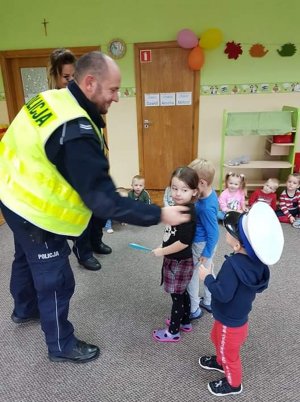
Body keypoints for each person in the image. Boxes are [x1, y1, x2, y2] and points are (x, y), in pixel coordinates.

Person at [0, 51, 190, 364]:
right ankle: (60, 344)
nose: (117, 97)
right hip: (35, 212)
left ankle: (24, 309)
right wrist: (158, 213)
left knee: (23, 257)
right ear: (89, 83)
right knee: (56, 279)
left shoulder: (50, 97)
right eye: (113, 90)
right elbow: (103, 199)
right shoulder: (75, 131)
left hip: (10, 193)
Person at [198, 202, 284, 396]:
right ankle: (220, 362)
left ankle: (233, 384)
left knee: (230, 354)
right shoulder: (257, 264)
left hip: (230, 321)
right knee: (216, 338)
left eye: (230, 231)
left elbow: (222, 294)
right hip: (234, 319)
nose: (226, 232)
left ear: (237, 244)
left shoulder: (232, 265)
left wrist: (207, 278)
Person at [48, 48, 110, 272]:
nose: (71, 82)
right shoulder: (55, 104)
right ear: (55, 77)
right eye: (66, 77)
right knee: (82, 211)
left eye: (74, 77)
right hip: (72, 173)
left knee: (98, 210)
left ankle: (96, 241)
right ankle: (83, 252)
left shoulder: (84, 100)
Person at [152, 167, 198, 342]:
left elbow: (183, 242)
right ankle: (185, 321)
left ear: (194, 191)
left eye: (184, 190)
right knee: (182, 292)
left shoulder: (186, 212)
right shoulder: (178, 207)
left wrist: (162, 251)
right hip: (175, 260)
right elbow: (173, 234)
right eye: (174, 188)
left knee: (176, 297)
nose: (178, 193)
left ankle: (173, 332)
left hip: (179, 261)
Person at [187, 158, 219, 320]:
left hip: (202, 245)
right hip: (207, 245)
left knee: (192, 275)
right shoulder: (210, 192)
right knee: (206, 271)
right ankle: (208, 301)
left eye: (192, 183)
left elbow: (214, 233)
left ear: (202, 183)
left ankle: (194, 309)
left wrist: (206, 252)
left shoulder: (206, 207)